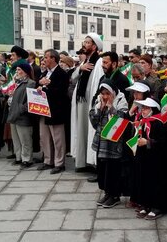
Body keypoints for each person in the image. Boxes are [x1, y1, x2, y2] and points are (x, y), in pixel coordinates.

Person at [90, 80, 129, 208]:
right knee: (103, 170)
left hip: (114, 143)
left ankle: (115, 195)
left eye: (108, 93)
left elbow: (122, 121)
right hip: (102, 142)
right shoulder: (99, 102)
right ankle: (107, 193)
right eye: (103, 94)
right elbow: (95, 123)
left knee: (113, 170)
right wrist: (99, 110)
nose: (105, 96)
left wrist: (111, 107)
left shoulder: (121, 101)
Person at [70, 33, 105, 171]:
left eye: (87, 43)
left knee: (90, 131)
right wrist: (80, 68)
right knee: (81, 131)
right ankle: (82, 161)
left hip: (90, 101)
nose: (84, 45)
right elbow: (73, 78)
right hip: (81, 101)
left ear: (95, 46)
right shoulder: (85, 62)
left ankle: (93, 163)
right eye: (84, 42)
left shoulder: (99, 62)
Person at [133, 97, 167, 220]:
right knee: (144, 180)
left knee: (155, 181)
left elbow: (163, 142)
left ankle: (156, 207)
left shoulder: (158, 122)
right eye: (142, 108)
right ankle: (145, 204)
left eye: (146, 108)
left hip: (155, 158)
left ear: (153, 109)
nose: (143, 110)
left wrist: (148, 142)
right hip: (143, 157)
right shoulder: (142, 121)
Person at [38, 49, 70, 174]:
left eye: (46, 57)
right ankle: (48, 160)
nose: (44, 60)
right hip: (43, 109)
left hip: (56, 110)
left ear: (53, 59)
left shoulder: (62, 74)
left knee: (58, 138)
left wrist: (46, 87)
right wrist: (40, 84)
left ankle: (59, 163)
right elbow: (39, 85)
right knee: (44, 137)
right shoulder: (45, 73)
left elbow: (60, 92)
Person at [6, 63, 36, 168]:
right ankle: (18, 157)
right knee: (16, 139)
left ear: (25, 72)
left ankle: (27, 159)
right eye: (17, 70)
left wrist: (21, 109)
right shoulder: (17, 83)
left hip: (23, 116)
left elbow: (30, 100)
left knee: (25, 139)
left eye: (19, 70)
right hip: (14, 114)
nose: (17, 72)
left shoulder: (30, 83)